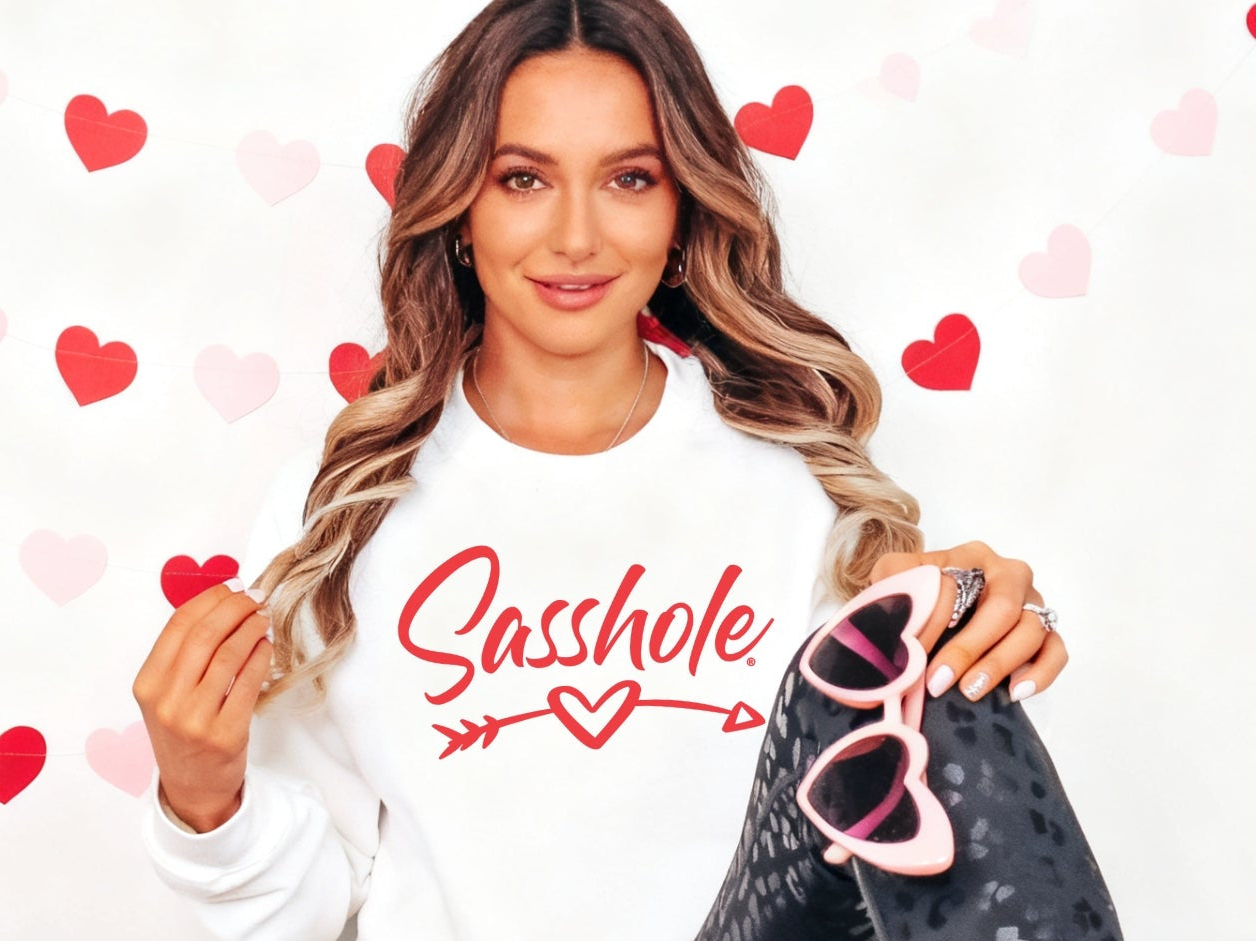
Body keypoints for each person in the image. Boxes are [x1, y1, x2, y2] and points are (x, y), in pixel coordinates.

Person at [131, 1, 1070, 938]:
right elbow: (306, 910)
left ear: (680, 207)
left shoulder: (796, 483)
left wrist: (969, 626)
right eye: (522, 178)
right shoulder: (342, 506)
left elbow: (875, 840)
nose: (575, 236)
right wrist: (201, 792)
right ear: (459, 211)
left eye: (627, 178)